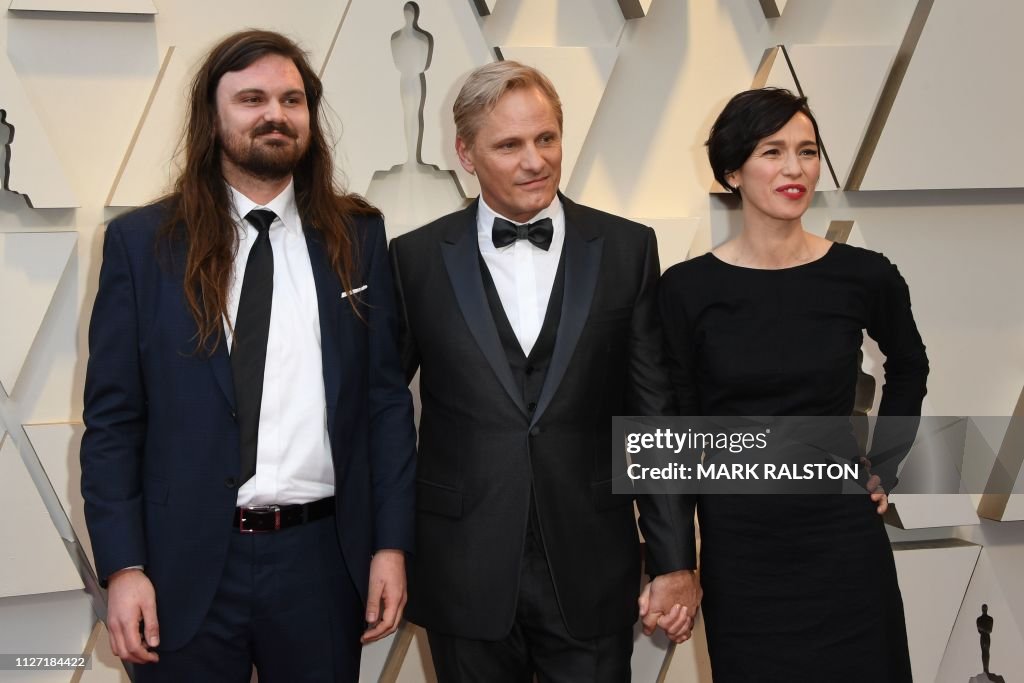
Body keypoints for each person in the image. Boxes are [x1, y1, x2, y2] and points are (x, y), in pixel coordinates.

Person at [80, 30, 416, 682]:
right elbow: (114, 423)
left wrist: (391, 545)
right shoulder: (142, 244)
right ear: (214, 117)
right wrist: (124, 568)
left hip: (322, 561)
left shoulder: (359, 238)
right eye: (252, 98)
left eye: (293, 100)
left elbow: (385, 405)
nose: (275, 115)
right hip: (184, 565)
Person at [389, 60, 698, 682]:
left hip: (591, 564)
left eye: (547, 138)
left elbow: (653, 413)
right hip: (463, 566)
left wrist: (673, 561)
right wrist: (383, 546)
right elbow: (383, 413)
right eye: (509, 144)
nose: (535, 161)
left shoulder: (628, 249)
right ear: (466, 154)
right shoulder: (414, 258)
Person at [655, 87, 928, 682]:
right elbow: (674, 429)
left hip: (843, 537)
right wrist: (674, 560)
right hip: (741, 545)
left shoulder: (865, 275)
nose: (794, 168)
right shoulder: (685, 289)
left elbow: (910, 364)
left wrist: (887, 461)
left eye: (806, 152)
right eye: (772, 151)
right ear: (733, 169)